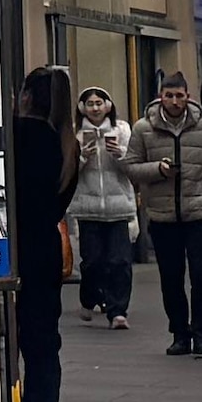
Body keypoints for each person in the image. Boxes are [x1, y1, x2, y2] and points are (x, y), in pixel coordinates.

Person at [130, 76, 202, 357]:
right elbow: (130, 166)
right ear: (160, 97)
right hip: (162, 213)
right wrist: (158, 170)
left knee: (201, 274)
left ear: (188, 96)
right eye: (169, 96)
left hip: (199, 209)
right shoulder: (144, 128)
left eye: (179, 96)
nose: (175, 102)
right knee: (171, 277)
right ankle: (179, 332)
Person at [9, 62, 71, 402]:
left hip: (6, 251)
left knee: (2, 349)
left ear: (26, 96)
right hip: (44, 254)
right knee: (43, 349)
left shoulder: (9, 135)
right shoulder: (67, 146)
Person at [66, 86, 139, 326]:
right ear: (82, 108)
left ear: (108, 106)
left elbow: (133, 166)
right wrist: (82, 157)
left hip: (119, 207)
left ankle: (118, 311)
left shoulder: (122, 130)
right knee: (92, 262)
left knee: (120, 262)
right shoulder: (75, 133)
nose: (95, 108)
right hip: (88, 208)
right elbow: (67, 172)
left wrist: (120, 154)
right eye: (90, 104)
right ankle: (89, 299)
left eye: (99, 103)